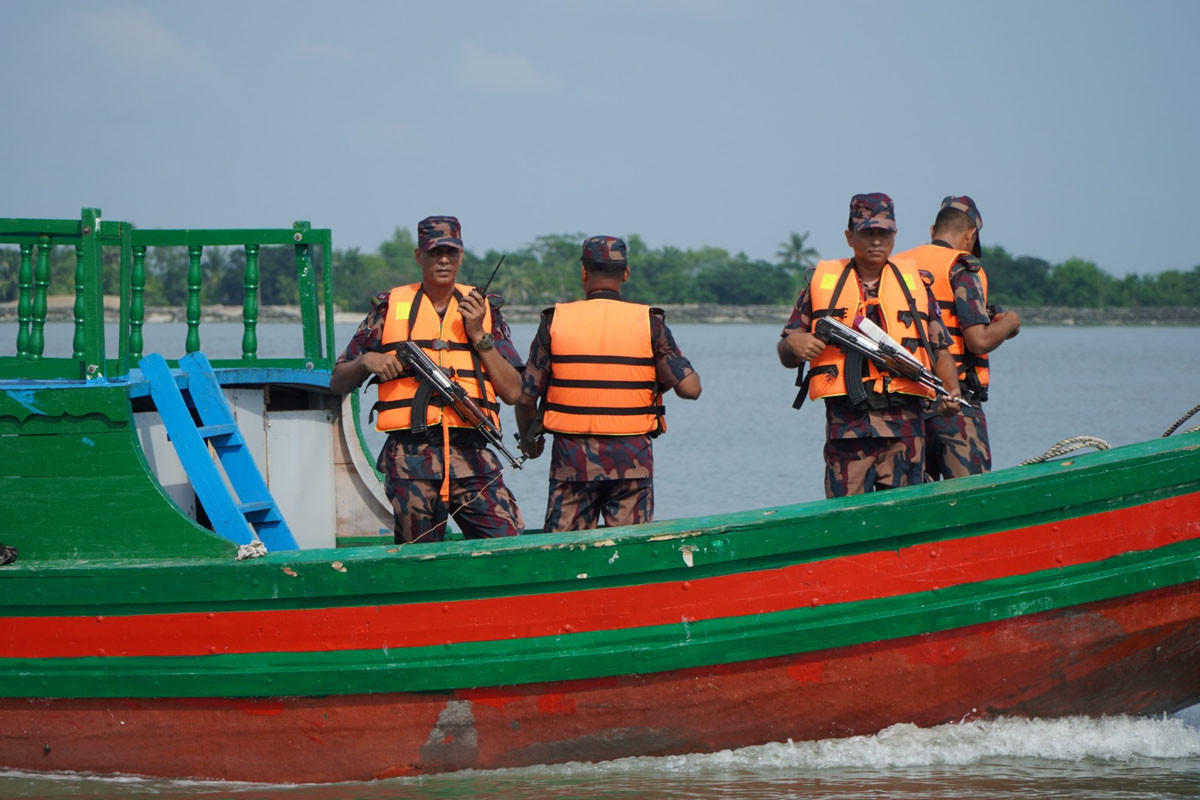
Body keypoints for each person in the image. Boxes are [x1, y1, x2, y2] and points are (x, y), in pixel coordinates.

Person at [329, 215, 524, 543]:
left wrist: (480, 336)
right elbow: (337, 382)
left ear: (461, 257)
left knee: (507, 545)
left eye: (451, 252)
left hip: (475, 458)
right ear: (419, 256)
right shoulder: (388, 309)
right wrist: (367, 361)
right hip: (411, 462)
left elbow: (513, 391)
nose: (444, 260)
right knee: (417, 561)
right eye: (435, 252)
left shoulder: (484, 310)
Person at [777, 193, 963, 497]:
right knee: (845, 520)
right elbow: (786, 350)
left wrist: (950, 391)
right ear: (850, 237)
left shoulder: (916, 282)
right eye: (867, 233)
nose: (876, 241)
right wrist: (795, 345)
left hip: (905, 432)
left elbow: (940, 349)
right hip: (847, 432)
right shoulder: (822, 282)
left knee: (905, 519)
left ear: (894, 236)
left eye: (883, 233)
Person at [515, 235, 701, 531]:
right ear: (625, 274)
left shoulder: (555, 321)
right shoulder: (649, 323)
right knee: (630, 554)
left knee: (564, 553)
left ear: (584, 273)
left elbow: (525, 398)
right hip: (632, 463)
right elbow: (691, 390)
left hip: (571, 463)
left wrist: (528, 441)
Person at [896, 196, 1021, 479]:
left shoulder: (896, 265)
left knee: (915, 499)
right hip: (955, 406)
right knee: (969, 499)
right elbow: (978, 340)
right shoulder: (961, 267)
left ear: (932, 230)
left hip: (905, 406)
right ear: (970, 234)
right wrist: (1011, 322)